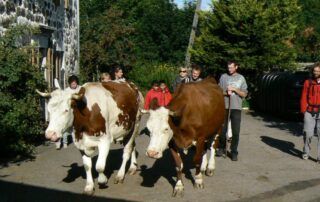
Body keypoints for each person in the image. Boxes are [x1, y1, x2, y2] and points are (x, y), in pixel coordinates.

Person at [216, 61, 248, 161]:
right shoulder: (223, 77)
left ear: (236, 67)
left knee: (236, 131)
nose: (229, 69)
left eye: (231, 67)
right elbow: (218, 91)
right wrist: (226, 92)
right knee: (222, 130)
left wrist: (234, 89)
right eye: (228, 67)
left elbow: (244, 94)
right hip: (224, 106)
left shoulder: (241, 78)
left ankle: (234, 152)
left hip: (236, 108)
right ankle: (221, 148)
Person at [300, 62, 320, 162]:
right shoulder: (308, 82)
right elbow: (303, 96)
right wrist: (304, 110)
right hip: (309, 111)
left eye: (318, 71)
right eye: (315, 70)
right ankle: (306, 152)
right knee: (308, 134)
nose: (316, 72)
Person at [56, 75, 81, 150]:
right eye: (72, 83)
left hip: (78, 111)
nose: (74, 85)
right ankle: (64, 142)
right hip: (69, 111)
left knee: (76, 127)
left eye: (75, 83)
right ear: (69, 84)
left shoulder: (80, 88)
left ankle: (77, 140)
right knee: (66, 128)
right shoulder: (66, 91)